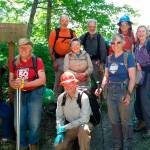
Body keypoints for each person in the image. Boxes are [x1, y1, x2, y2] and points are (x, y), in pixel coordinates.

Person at [95, 33, 135, 150]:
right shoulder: (109, 58)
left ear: (122, 43)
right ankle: (118, 146)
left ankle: (127, 146)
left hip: (123, 91)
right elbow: (106, 76)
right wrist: (101, 88)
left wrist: (128, 94)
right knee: (114, 121)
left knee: (126, 121)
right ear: (111, 45)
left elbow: (132, 78)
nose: (115, 45)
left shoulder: (128, 57)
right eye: (113, 42)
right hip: (110, 92)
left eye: (118, 42)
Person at [9, 38, 46, 150]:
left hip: (35, 92)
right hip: (20, 93)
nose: (23, 48)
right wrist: (13, 84)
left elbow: (42, 80)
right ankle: (22, 145)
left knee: (34, 122)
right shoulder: (14, 62)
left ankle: (33, 143)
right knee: (18, 122)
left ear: (31, 48)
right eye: (20, 46)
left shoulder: (37, 61)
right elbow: (10, 80)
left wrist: (25, 84)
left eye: (26, 46)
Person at [54, 71, 92, 150]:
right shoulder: (61, 98)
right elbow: (59, 117)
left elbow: (85, 119)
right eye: (65, 84)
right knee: (58, 146)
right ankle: (71, 143)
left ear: (75, 83)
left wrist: (65, 127)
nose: (67, 86)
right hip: (70, 128)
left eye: (70, 83)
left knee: (84, 129)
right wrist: (59, 130)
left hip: (84, 125)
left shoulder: (83, 97)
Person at [48, 15, 76, 99]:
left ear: (68, 22)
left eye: (66, 21)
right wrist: (54, 61)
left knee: (69, 80)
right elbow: (50, 48)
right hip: (58, 59)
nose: (65, 22)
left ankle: (69, 99)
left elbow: (76, 47)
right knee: (58, 80)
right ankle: (55, 100)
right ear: (60, 21)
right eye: (63, 21)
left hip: (69, 59)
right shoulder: (54, 32)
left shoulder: (72, 33)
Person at [80, 19, 106, 89]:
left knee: (99, 82)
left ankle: (100, 99)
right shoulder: (84, 36)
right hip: (86, 62)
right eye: (90, 26)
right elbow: (75, 44)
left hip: (96, 63)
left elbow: (103, 50)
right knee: (87, 82)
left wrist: (102, 64)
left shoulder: (99, 37)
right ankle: (88, 98)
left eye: (93, 26)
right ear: (87, 27)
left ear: (96, 27)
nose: (92, 28)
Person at [134, 25, 150, 137]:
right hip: (138, 75)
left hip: (148, 74)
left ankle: (149, 128)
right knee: (137, 100)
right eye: (139, 31)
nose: (140, 33)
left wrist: (142, 65)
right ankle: (142, 122)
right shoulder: (136, 45)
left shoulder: (149, 44)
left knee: (145, 101)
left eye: (143, 31)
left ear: (147, 33)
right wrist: (136, 64)